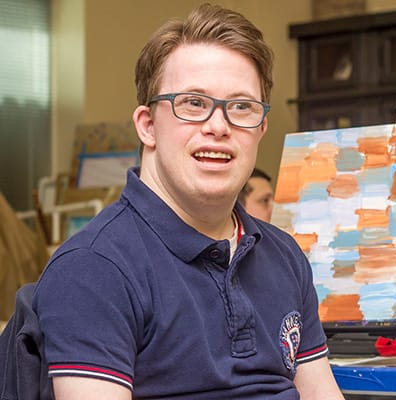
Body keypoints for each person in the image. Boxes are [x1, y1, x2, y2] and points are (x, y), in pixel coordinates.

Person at [32, 3, 344, 399]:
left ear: (260, 129)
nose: (219, 126)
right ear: (148, 126)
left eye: (241, 107)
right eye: (194, 103)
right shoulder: (94, 268)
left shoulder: (284, 255)